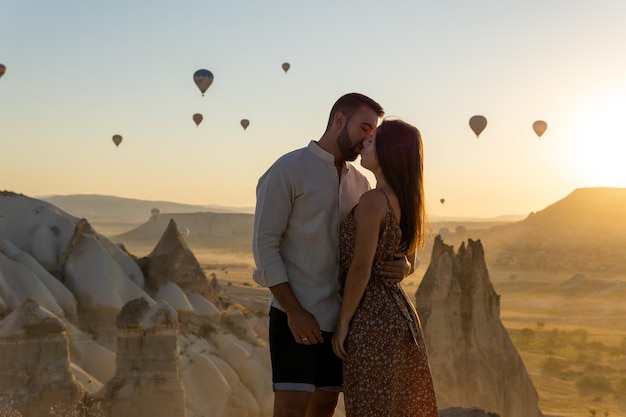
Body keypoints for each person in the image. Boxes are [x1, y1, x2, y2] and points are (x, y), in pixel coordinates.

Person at [252, 93, 412, 417]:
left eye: (373, 132)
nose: (368, 138)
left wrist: (407, 265)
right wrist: (294, 312)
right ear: (339, 120)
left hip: (344, 319)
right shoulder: (288, 169)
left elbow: (383, 238)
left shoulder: (362, 183)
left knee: (325, 406)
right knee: (291, 409)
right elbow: (265, 247)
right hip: (294, 314)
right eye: (364, 127)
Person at [331, 119, 438, 416]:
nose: (365, 141)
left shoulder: (374, 201)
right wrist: (403, 268)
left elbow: (360, 270)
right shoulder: (408, 201)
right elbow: (410, 262)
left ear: (389, 151)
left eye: (373, 139)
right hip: (401, 319)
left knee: (370, 407)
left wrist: (342, 324)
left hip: (372, 320)